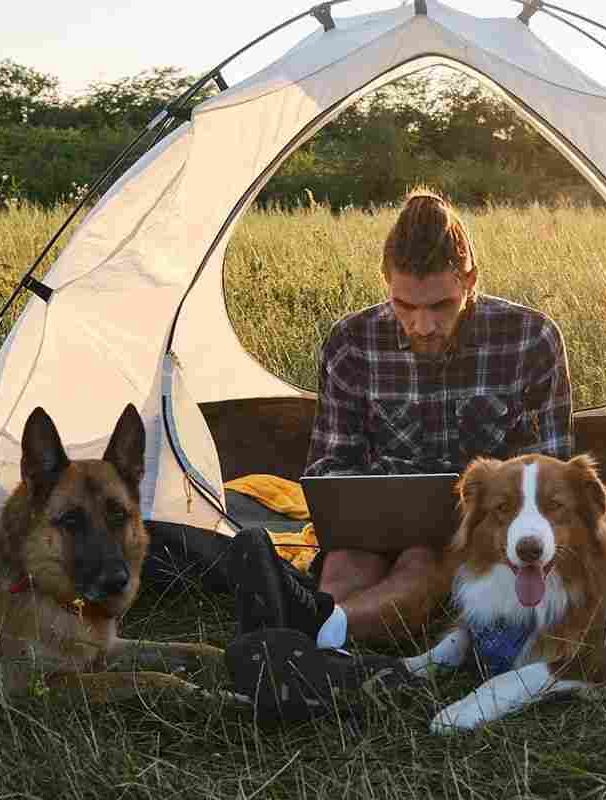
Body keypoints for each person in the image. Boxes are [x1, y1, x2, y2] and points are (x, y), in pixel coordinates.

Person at [224, 189, 572, 711]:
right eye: (404, 306)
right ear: (386, 283)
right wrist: (358, 503)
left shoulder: (531, 339)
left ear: (470, 280)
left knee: (417, 564)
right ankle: (313, 657)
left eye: (441, 306)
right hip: (374, 525)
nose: (423, 324)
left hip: (482, 536)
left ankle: (298, 639)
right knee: (346, 565)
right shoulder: (352, 342)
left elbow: (553, 480)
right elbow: (330, 465)